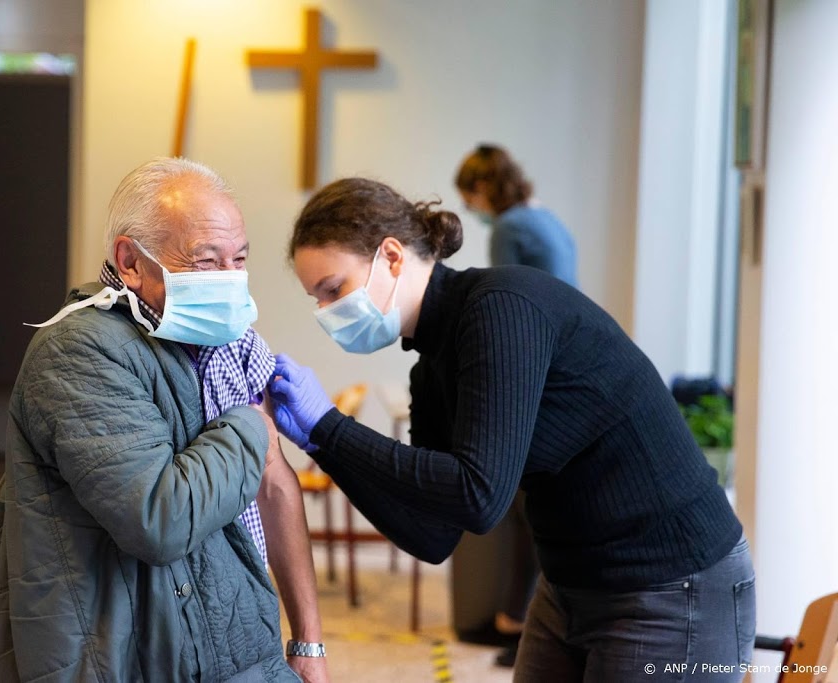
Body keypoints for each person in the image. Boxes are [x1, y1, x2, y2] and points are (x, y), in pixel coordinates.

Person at [267, 177, 755, 682]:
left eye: (333, 290)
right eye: (316, 299)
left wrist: (330, 426)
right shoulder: (430, 365)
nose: (326, 313)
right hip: (572, 583)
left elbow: (478, 493)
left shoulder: (500, 306)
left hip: (673, 583)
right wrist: (322, 443)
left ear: (391, 256)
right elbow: (434, 534)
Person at [0, 158, 329, 682]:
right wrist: (252, 427)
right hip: (131, 649)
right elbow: (159, 518)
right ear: (130, 262)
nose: (231, 282)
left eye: (239, 259)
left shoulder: (235, 342)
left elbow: (275, 485)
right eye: (206, 262)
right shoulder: (77, 352)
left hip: (233, 635)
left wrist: (309, 639)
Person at [455, 144, 579, 665]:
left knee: (527, 510)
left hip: (540, 371)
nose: (471, 207)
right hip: (565, 357)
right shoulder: (545, 218)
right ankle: (523, 616)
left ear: (483, 189)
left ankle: (520, 621)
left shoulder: (508, 229)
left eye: (469, 196)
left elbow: (508, 306)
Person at [455, 144, 578, 286]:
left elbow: (503, 292)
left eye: (469, 202)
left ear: (482, 188)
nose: (471, 210)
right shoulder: (545, 215)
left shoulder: (506, 227)